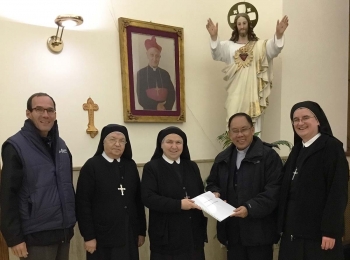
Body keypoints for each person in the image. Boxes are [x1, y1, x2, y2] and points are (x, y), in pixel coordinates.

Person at [0, 92, 75, 260]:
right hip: (35, 236)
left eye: (50, 110)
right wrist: (14, 238)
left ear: (55, 114)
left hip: (63, 232)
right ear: (28, 113)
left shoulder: (61, 145)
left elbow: (66, 185)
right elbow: (7, 197)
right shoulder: (15, 146)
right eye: (39, 109)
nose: (45, 115)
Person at [206, 112, 283, 260]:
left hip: (260, 233)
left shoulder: (268, 157)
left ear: (252, 130)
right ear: (229, 134)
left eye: (244, 129)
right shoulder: (222, 158)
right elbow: (212, 183)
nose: (240, 134)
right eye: (235, 131)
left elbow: (274, 191)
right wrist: (215, 194)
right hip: (232, 232)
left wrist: (249, 208)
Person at [277, 101, 349, 260]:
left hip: (319, 235)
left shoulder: (331, 147)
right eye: (295, 119)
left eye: (305, 118)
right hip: (292, 231)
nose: (300, 123)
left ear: (318, 120)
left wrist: (330, 231)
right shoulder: (297, 150)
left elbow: (337, 192)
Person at [206, 13, 289, 131]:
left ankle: (254, 149)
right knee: (233, 120)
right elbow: (217, 53)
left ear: (249, 25)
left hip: (253, 95)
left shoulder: (259, 46)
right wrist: (214, 37)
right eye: (239, 24)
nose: (242, 26)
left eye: (244, 23)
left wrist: (279, 35)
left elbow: (272, 49)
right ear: (236, 26)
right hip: (235, 93)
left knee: (253, 124)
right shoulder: (229, 46)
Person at [76, 124, 146, 260]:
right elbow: (83, 204)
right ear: (103, 142)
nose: (117, 144)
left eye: (122, 141)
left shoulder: (130, 165)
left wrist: (141, 231)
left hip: (129, 233)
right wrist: (89, 236)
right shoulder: (91, 166)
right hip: (102, 236)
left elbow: (138, 201)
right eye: (112, 139)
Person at [141, 126, 207, 259]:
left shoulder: (192, 166)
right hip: (167, 235)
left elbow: (199, 193)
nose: (174, 146)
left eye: (178, 142)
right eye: (169, 142)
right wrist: (179, 205)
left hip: (193, 234)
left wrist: (213, 199)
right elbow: (148, 198)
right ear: (161, 145)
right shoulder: (152, 167)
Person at [136, 36, 176, 111]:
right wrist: (156, 106)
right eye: (152, 55)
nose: (154, 59)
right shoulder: (141, 73)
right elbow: (141, 97)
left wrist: (165, 108)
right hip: (148, 113)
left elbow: (172, 95)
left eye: (157, 56)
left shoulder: (165, 74)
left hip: (165, 112)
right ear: (147, 55)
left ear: (160, 57)